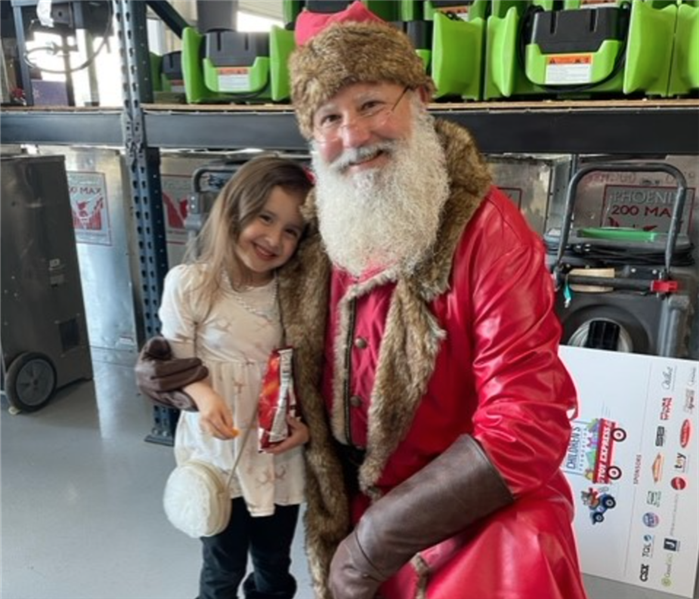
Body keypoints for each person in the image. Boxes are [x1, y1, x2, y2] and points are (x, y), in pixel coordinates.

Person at [137, 3, 590, 599]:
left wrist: (369, 545)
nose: (354, 135)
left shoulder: (489, 234)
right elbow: (235, 307)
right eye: (329, 117)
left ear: (420, 97)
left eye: (372, 103)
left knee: (520, 557)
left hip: (467, 513)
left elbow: (526, 430)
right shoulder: (318, 223)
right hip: (335, 496)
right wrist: (171, 369)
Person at [144, 155, 312, 599]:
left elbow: (309, 370)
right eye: (265, 217)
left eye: (291, 230)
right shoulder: (191, 284)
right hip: (218, 457)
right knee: (222, 569)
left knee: (275, 565)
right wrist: (203, 394)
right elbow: (172, 359)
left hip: (277, 458)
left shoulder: (294, 293)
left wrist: (305, 428)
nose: (274, 238)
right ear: (235, 209)